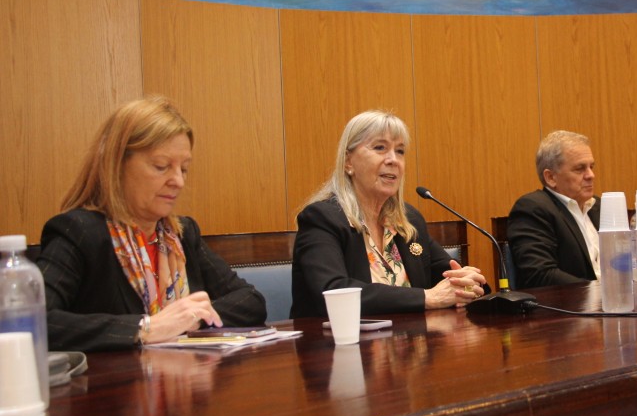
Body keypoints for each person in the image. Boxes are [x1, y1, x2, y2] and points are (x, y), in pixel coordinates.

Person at [37, 97, 267, 352]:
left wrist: (191, 318)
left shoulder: (180, 234)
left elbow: (251, 301)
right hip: (112, 388)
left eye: (184, 169)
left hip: (186, 383)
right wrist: (145, 328)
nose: (178, 181)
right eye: (162, 166)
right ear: (116, 165)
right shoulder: (79, 232)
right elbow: (35, 321)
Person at [290, 110, 487, 318]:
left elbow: (448, 275)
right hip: (339, 345)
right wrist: (427, 298)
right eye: (380, 148)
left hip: (411, 344)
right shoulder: (323, 218)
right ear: (348, 162)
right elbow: (333, 291)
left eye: (400, 151)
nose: (393, 160)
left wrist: (468, 282)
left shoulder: (407, 220)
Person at [507, 130, 601, 289]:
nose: (591, 175)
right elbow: (541, 275)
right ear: (551, 177)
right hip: (573, 309)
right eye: (580, 169)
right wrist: (599, 291)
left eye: (591, 167)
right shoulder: (533, 209)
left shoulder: (599, 207)